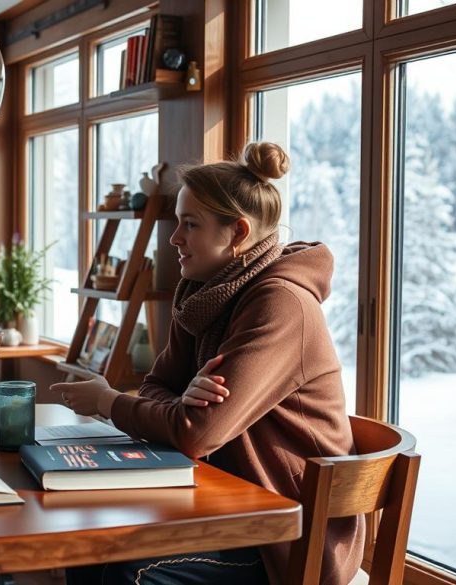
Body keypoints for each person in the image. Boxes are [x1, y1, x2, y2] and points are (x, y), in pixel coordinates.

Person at [52, 142, 364, 585]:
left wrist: (108, 401)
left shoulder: (281, 305)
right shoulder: (204, 295)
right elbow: (158, 385)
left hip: (287, 536)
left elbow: (194, 434)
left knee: (128, 571)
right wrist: (182, 402)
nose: (174, 238)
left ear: (237, 233)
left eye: (189, 225)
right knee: (88, 546)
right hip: (224, 504)